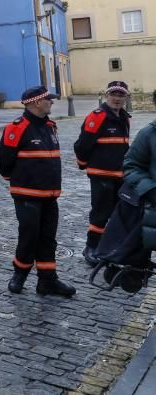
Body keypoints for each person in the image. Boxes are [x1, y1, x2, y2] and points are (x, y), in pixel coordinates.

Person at [0, 86, 75, 297]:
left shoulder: (50, 126)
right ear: (36, 102)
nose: (51, 102)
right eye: (48, 99)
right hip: (27, 196)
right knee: (29, 236)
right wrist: (21, 182)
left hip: (50, 196)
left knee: (48, 238)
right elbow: (3, 163)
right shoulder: (16, 128)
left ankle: (47, 280)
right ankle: (19, 275)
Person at [75, 81, 132, 266]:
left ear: (126, 97)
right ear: (106, 95)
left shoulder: (125, 117)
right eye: (113, 94)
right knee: (100, 213)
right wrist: (86, 166)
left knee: (118, 213)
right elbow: (82, 145)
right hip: (101, 174)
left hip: (119, 175)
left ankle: (109, 248)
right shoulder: (97, 116)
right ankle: (91, 247)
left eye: (121, 95)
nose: (117, 98)